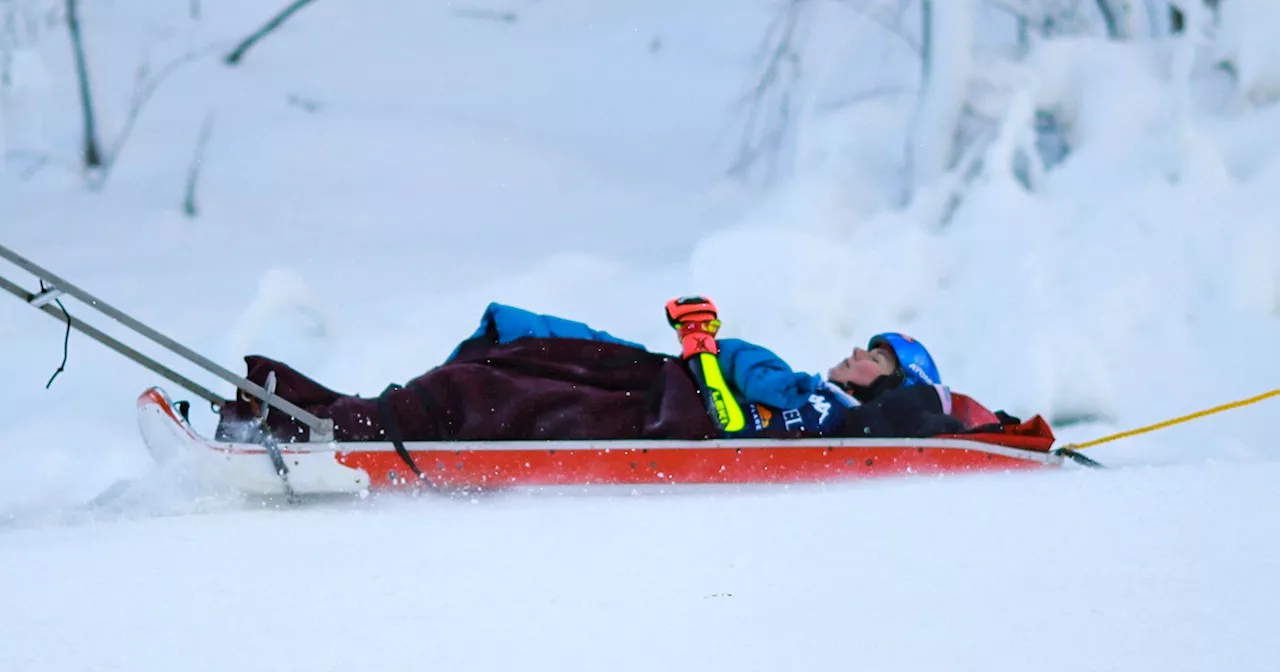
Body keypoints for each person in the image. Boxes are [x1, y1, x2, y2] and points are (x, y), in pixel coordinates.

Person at [215, 298, 1017, 446]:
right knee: (503, 357)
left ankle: (307, 424)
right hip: (653, 385)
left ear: (896, 380)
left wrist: (706, 355)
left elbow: (932, 421)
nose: (851, 354)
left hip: (655, 416)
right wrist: (704, 356)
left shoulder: (845, 420)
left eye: (871, 355)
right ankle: (298, 409)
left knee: (484, 394)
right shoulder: (821, 397)